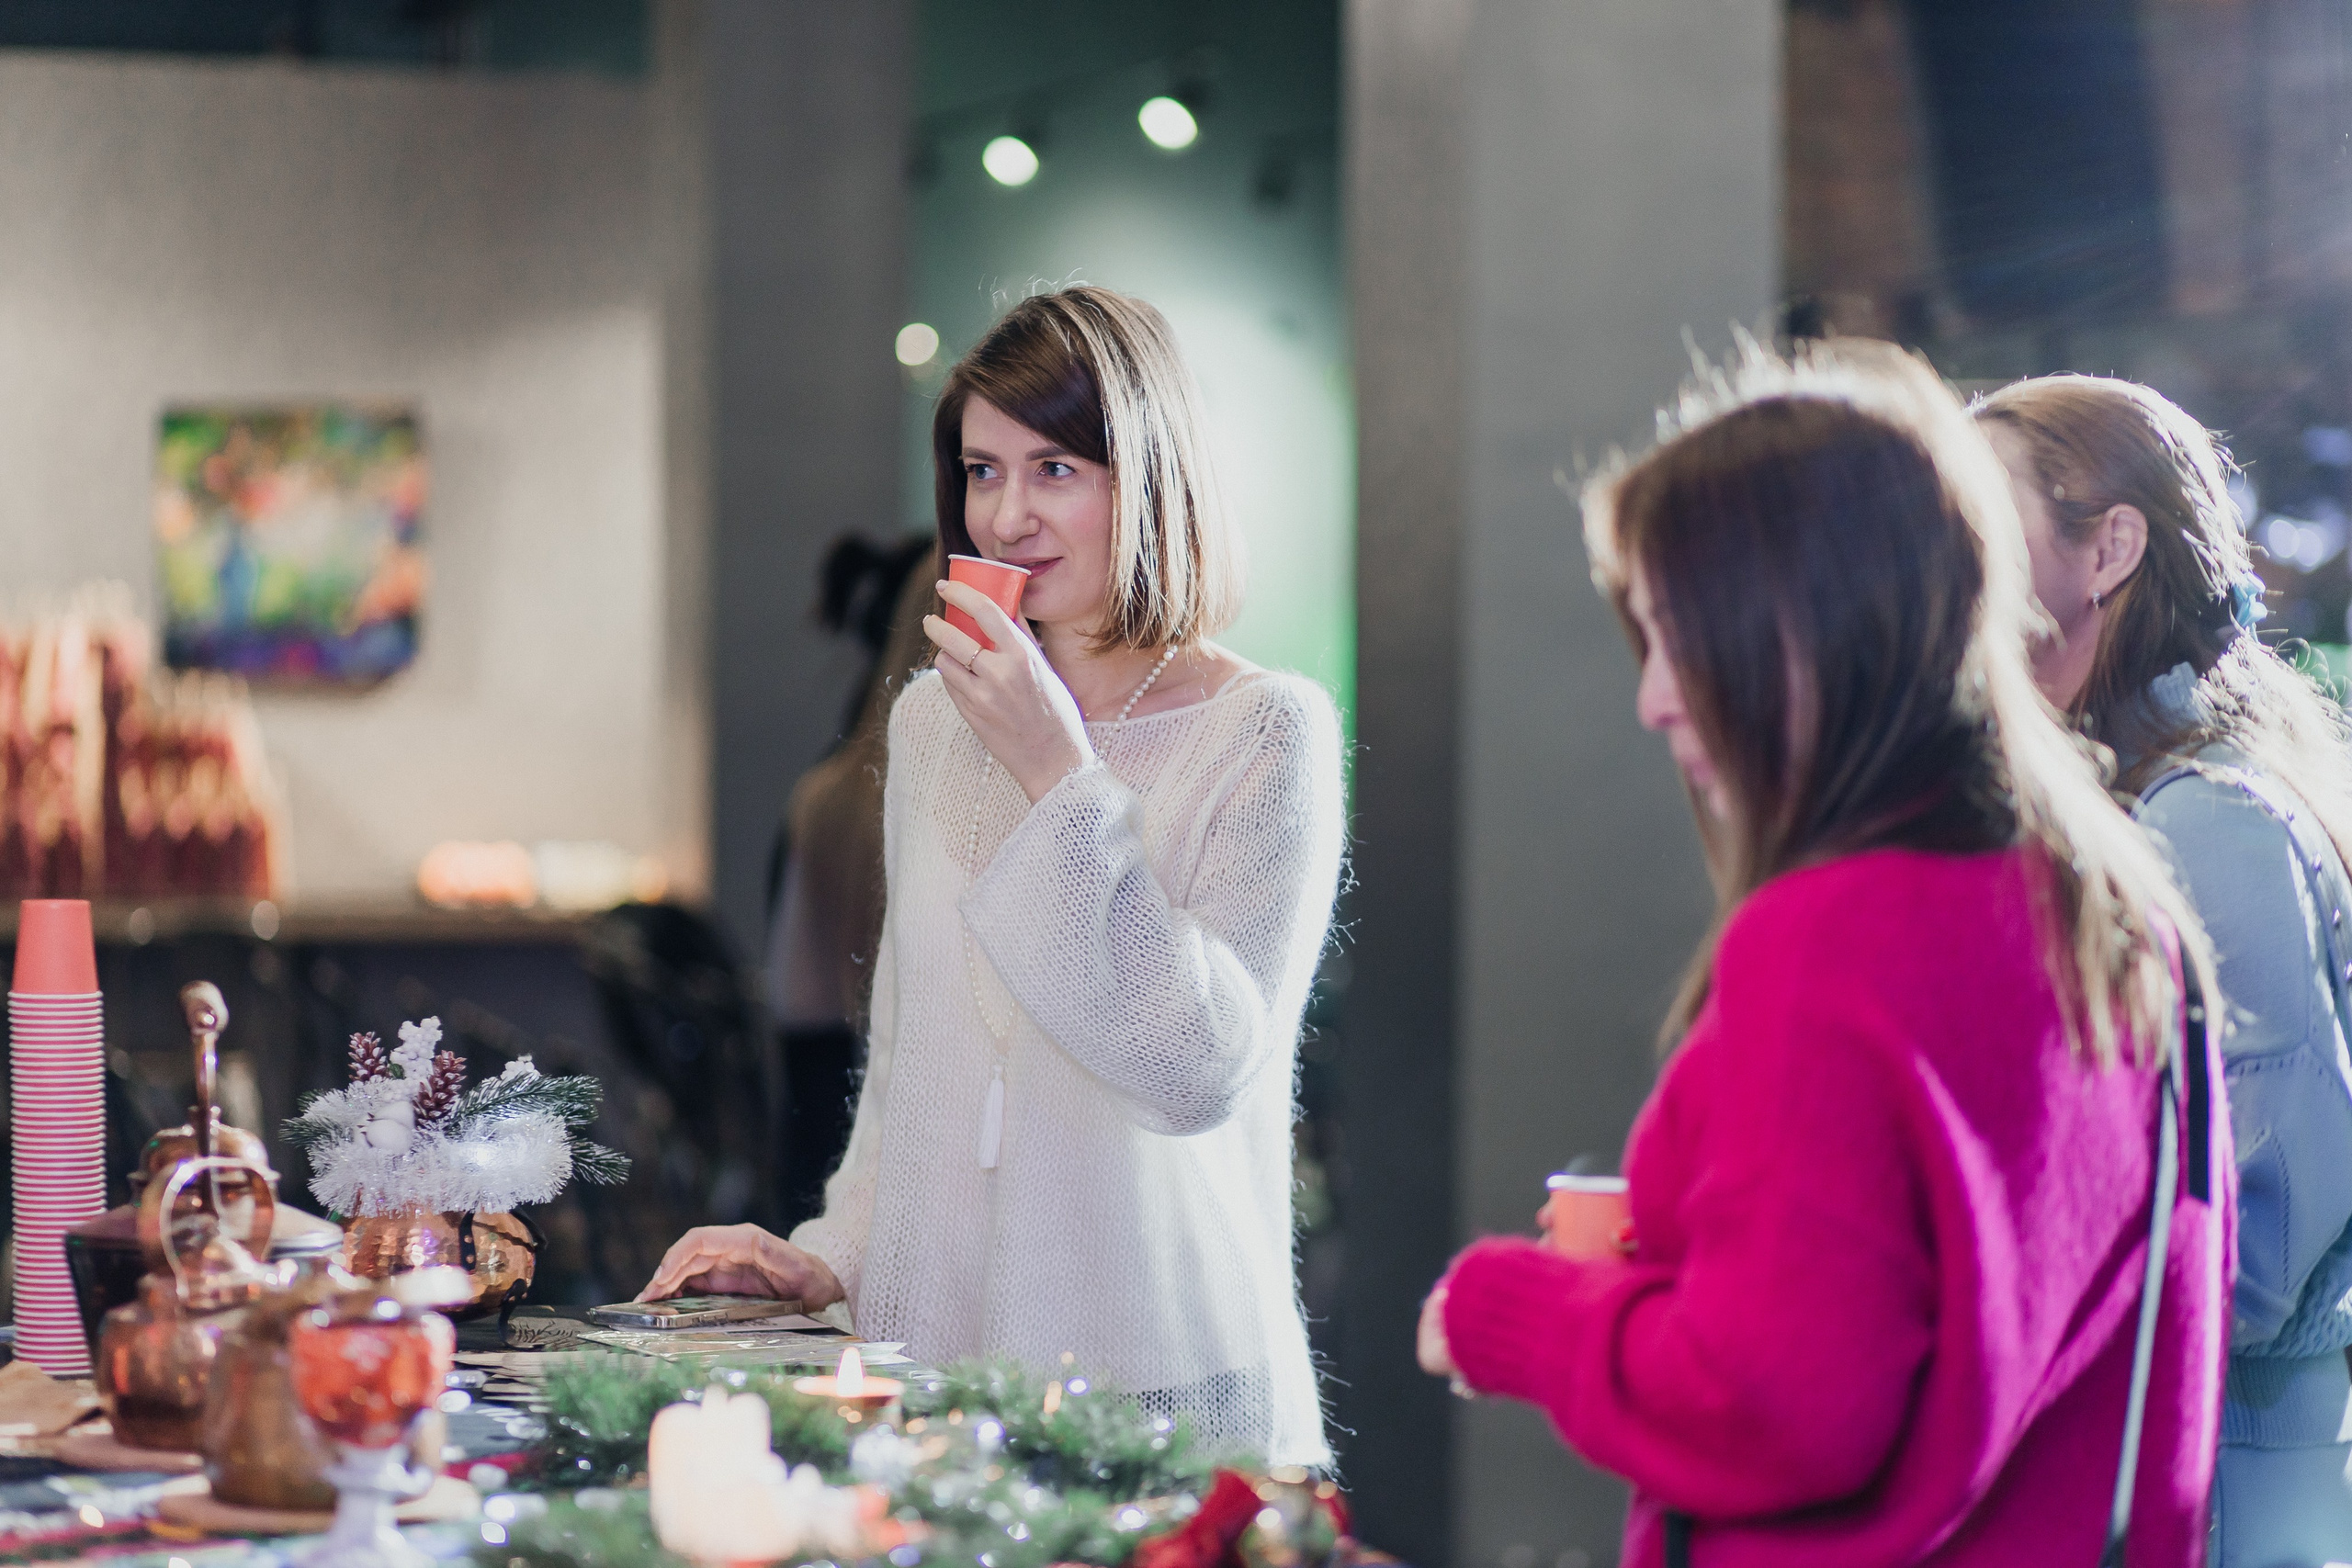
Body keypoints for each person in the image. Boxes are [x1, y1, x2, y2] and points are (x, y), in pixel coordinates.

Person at [1416, 341, 2233, 1565]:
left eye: (1684, 633)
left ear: (1815, 624)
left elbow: (1775, 1402)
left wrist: (1508, 1310)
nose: (1652, 699)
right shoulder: (2118, 902)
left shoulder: (1830, 939)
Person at [641, 285, 1345, 1467]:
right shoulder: (931, 725)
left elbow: (1195, 1069)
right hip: (940, 1382)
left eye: (1056, 469)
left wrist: (1056, 772)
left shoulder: (1266, 732)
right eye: (981, 471)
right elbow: (913, 1062)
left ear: (1151, 476)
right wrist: (833, 1258)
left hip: (1164, 1397)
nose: (1008, 514)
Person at [1977, 373, 2352, 1567]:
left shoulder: (2209, 825)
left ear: (2111, 548)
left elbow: (2254, 1258)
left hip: (2232, 1496)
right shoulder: (2140, 810)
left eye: (1981, 526)